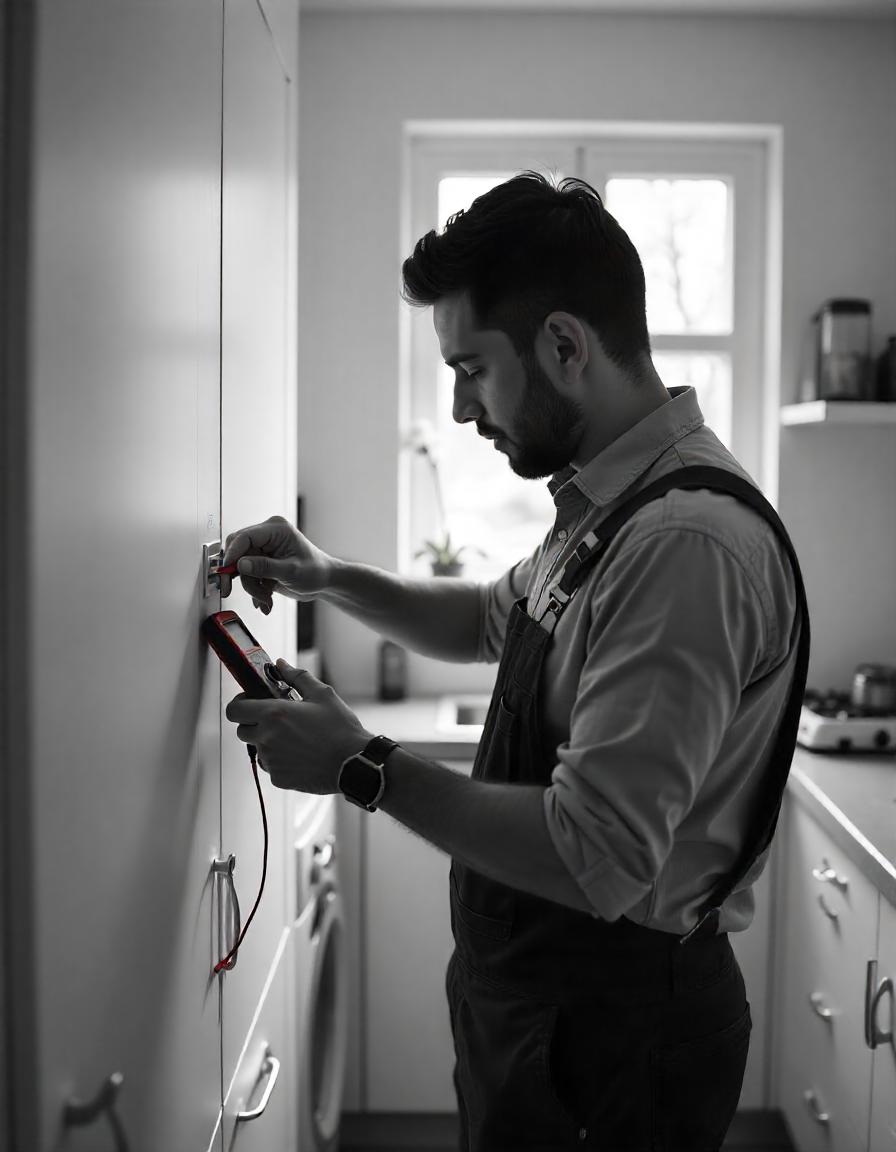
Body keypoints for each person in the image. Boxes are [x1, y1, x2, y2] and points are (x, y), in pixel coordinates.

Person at [220, 172, 809, 1152]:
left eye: (469, 369)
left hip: (616, 1037)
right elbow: (490, 622)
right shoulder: (608, 504)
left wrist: (360, 767)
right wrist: (327, 577)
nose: (457, 409)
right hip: (548, 1012)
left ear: (565, 346)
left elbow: (597, 851)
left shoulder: (680, 543)